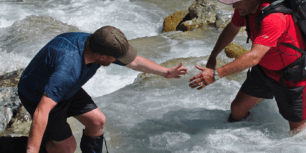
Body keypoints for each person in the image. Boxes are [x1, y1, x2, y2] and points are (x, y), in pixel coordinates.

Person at [17, 26, 188, 153]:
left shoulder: (97, 44)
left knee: (97, 121)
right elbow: (41, 112)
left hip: (68, 89)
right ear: (103, 57)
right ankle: (20, 147)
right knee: (67, 148)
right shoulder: (68, 69)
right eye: (117, 58)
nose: (119, 60)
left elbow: (134, 61)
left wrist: (165, 72)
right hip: (38, 95)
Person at [189, 0, 306, 133]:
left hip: (292, 76)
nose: (234, 6)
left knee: (300, 133)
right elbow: (232, 29)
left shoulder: (274, 17)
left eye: (235, 1)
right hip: (264, 71)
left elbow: (253, 57)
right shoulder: (245, 9)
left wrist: (216, 74)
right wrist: (213, 56)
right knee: (236, 111)